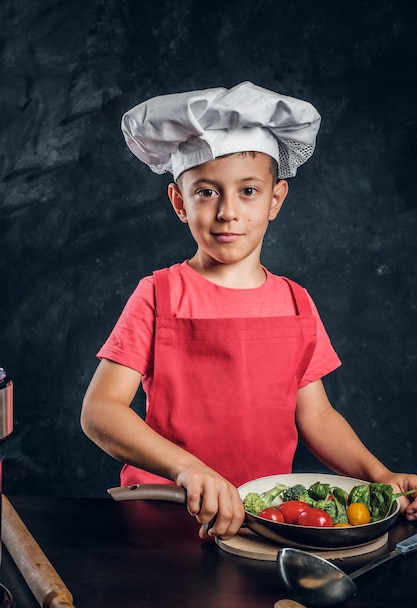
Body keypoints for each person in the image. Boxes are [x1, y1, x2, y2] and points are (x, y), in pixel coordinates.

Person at [81, 81, 417, 539]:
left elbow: (316, 416)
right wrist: (187, 469)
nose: (228, 213)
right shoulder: (158, 293)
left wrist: (378, 475)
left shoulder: (296, 301)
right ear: (180, 203)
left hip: (264, 518)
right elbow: (100, 411)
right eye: (206, 192)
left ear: (275, 199)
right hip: (164, 514)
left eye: (249, 191)